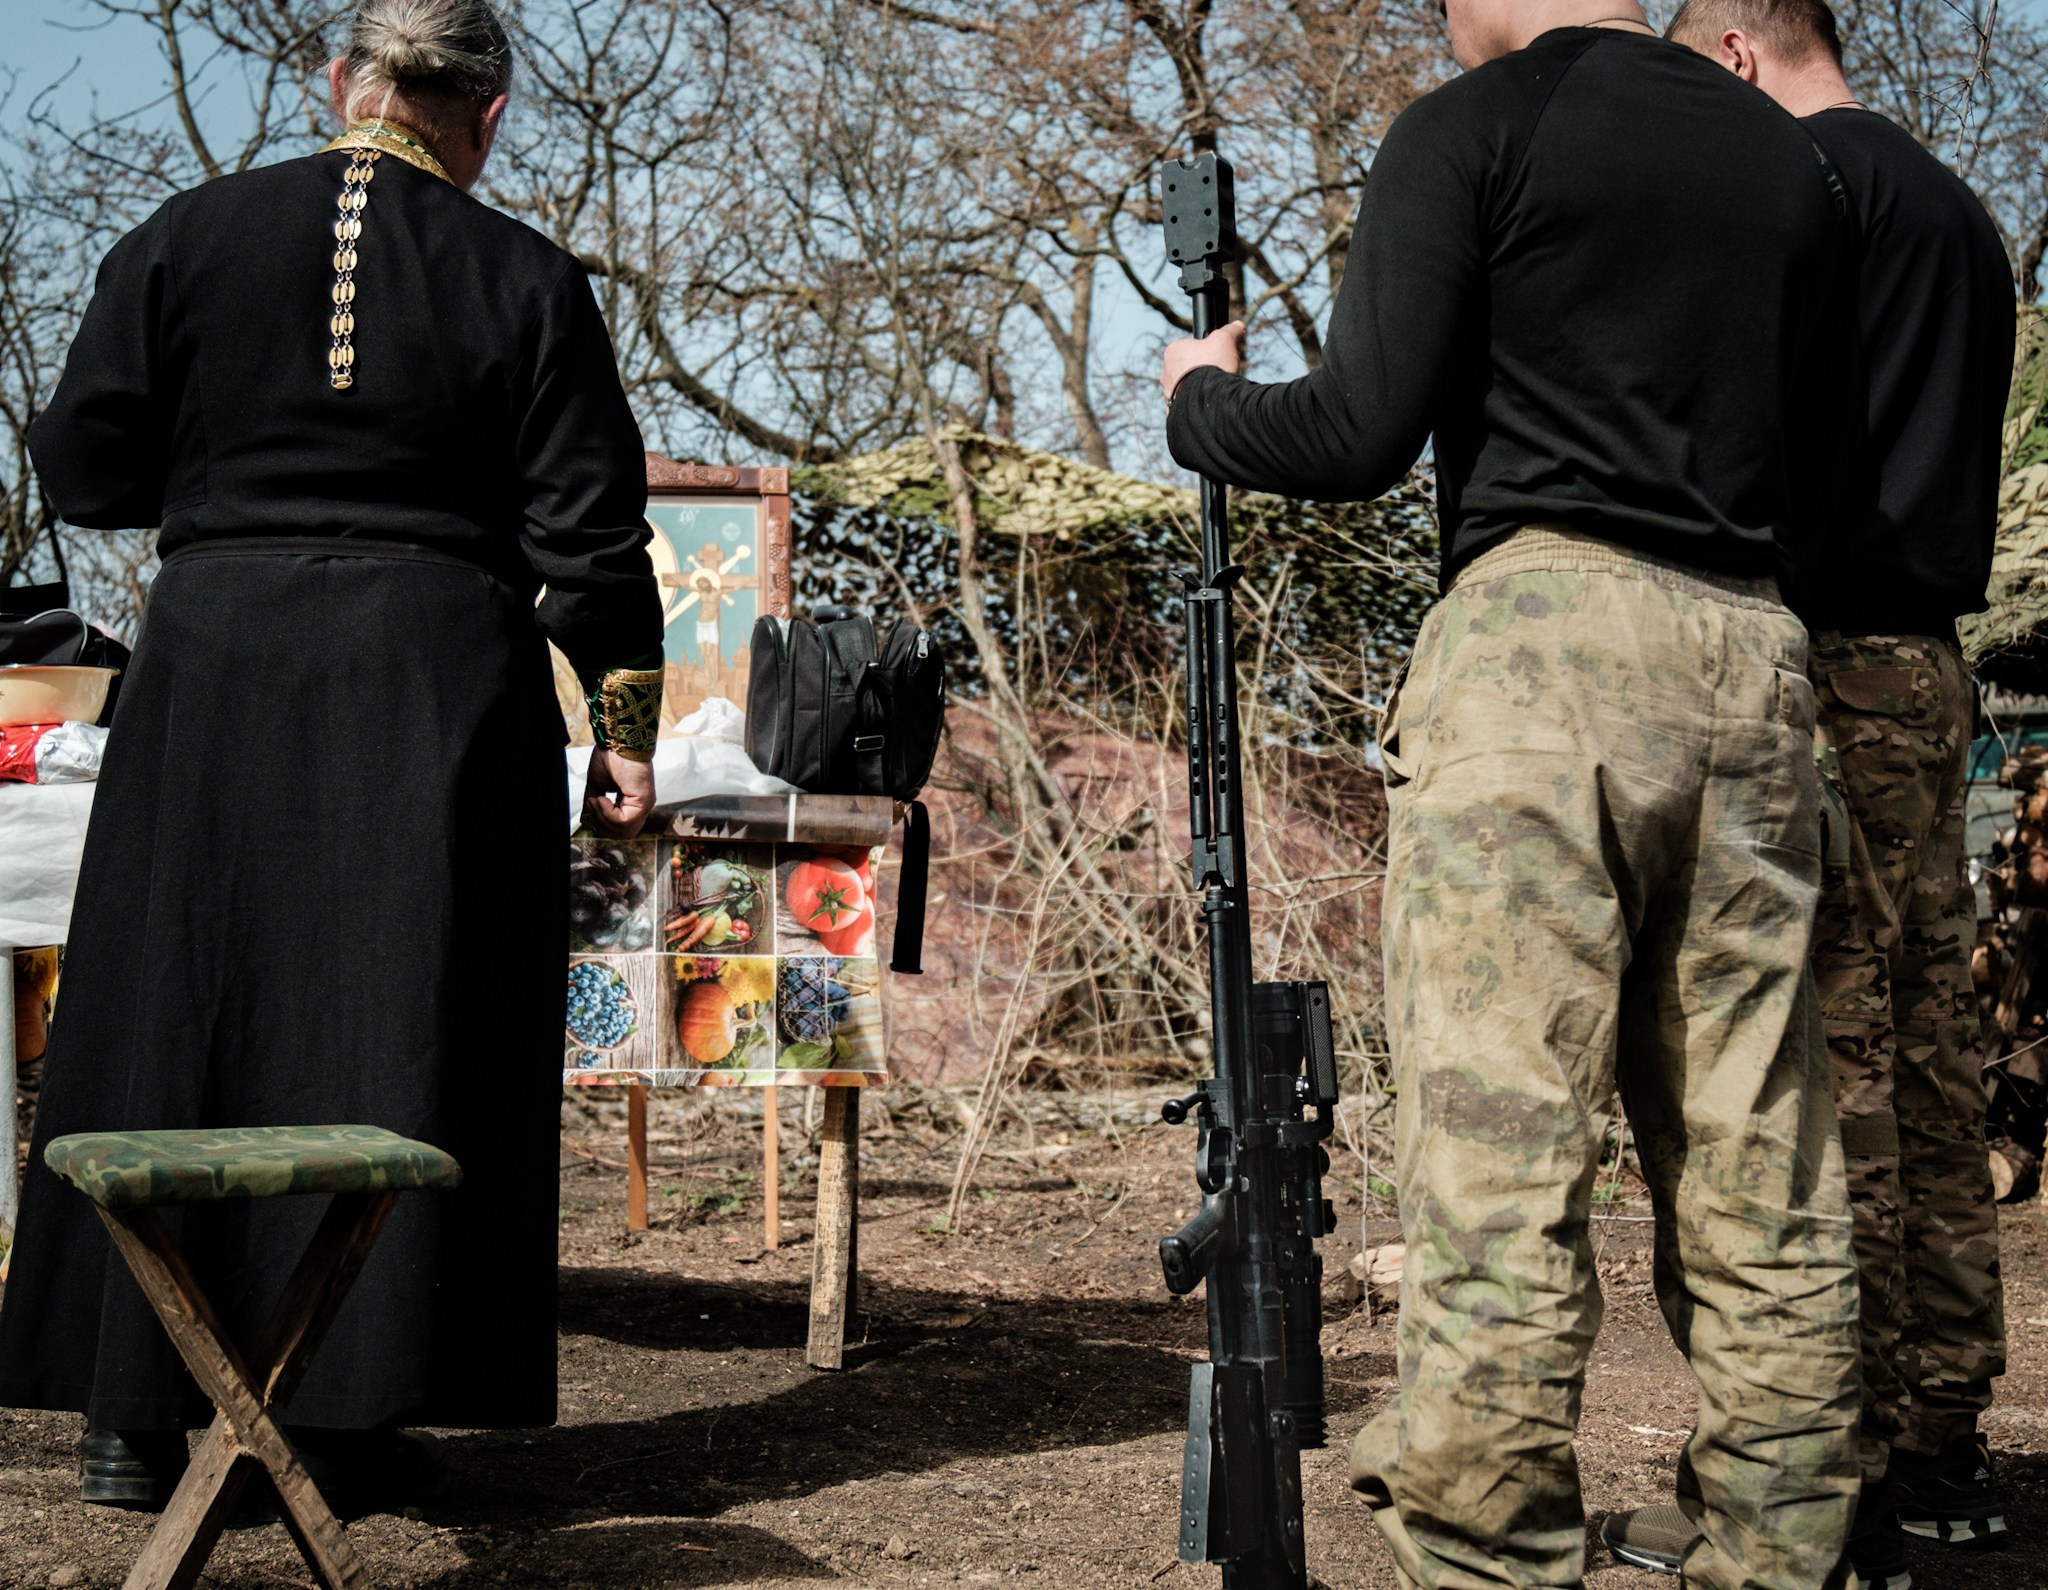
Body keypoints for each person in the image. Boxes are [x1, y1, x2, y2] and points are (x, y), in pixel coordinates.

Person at [1160, 0, 1867, 1582]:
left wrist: (1195, 399)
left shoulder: (1470, 128)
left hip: (1537, 661)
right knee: (1766, 1162)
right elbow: (1827, 485)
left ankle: (1491, 1561)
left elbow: (1354, 430)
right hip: (1754, 661)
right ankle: (1794, 1548)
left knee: (1502, 1162)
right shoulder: (1792, 169)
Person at [0, 0, 663, 1510]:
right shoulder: (530, 278)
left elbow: (86, 462)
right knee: (398, 1020)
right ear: (487, 118)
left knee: (177, 1010)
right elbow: (591, 545)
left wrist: (228, 480)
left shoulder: (187, 234)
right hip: (435, 690)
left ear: (336, 82)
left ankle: (132, 1409)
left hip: (215, 673)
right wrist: (621, 740)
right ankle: (351, 1406)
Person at [1601, 3, 2017, 1585]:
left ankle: (1816, 1473)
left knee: (1824, 1060)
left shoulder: (1811, 194)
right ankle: (1941, 1445)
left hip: (1831, 666)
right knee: (1929, 1052)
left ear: (1729, 54)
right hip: (1932, 665)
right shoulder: (1959, 209)